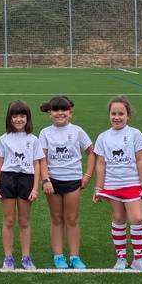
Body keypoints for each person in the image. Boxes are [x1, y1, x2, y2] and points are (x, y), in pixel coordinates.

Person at [93, 96, 142, 272]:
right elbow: (100, 164)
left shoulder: (135, 134)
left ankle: (138, 258)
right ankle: (121, 258)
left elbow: (141, 160)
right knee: (118, 219)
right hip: (112, 185)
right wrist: (98, 188)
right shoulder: (103, 137)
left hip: (132, 184)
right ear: (109, 115)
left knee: (137, 218)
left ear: (128, 115)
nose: (117, 117)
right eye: (113, 114)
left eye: (121, 114)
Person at [39, 95, 94, 270]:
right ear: (50, 113)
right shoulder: (45, 133)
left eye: (64, 110)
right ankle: (58, 256)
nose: (60, 113)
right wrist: (45, 180)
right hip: (53, 182)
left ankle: (75, 257)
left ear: (70, 113)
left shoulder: (77, 131)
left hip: (73, 181)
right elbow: (42, 158)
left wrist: (87, 175)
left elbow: (91, 152)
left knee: (71, 219)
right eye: (56, 110)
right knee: (56, 219)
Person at [0, 100, 44, 270]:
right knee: (8, 220)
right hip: (8, 179)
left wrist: (35, 188)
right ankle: (8, 257)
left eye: (22, 116)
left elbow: (37, 164)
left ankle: (26, 257)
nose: (19, 119)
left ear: (28, 118)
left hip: (26, 180)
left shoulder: (33, 140)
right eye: (15, 116)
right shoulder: (3, 139)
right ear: (9, 118)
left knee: (24, 221)